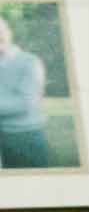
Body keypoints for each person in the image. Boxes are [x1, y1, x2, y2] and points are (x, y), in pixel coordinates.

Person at [0, 15, 50, 169]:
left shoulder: (30, 62)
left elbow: (25, 103)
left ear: (9, 33)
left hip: (27, 137)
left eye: (1, 31)